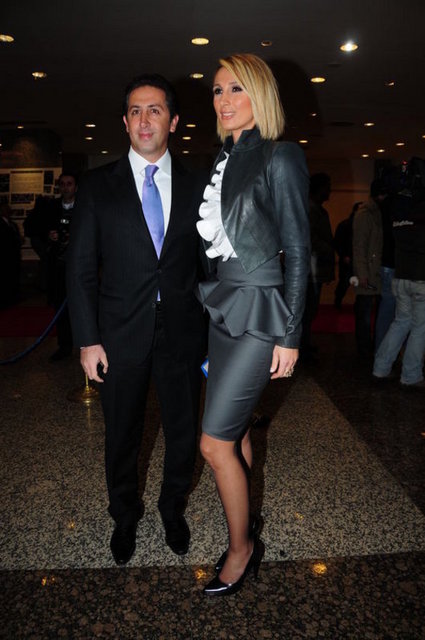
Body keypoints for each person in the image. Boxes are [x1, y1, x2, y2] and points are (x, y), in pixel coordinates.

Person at [66, 74, 207, 565]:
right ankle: (124, 515)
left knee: (183, 431)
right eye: (135, 111)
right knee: (122, 434)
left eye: (155, 110)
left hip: (183, 333)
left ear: (173, 120)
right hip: (118, 335)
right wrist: (87, 340)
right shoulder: (96, 186)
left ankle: (173, 508)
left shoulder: (197, 184)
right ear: (125, 123)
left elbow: (209, 267)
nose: (145, 120)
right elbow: (80, 269)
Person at [196, 53, 310, 596]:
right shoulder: (225, 156)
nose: (224, 99)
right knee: (235, 431)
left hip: (262, 309)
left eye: (236, 88)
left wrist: (290, 335)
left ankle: (242, 550)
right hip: (225, 306)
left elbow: (299, 249)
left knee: (213, 444)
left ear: (260, 94)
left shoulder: (280, 155)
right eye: (218, 90)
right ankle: (246, 524)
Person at [373, 159, 425, 389]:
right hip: (421, 277)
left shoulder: (397, 204)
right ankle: (411, 376)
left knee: (400, 322)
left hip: (400, 274)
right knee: (420, 328)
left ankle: (380, 368)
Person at [300, 173, 335, 359]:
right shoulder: (311, 209)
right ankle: (301, 346)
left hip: (314, 269)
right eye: (327, 187)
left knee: (310, 310)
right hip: (310, 270)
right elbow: (309, 239)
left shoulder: (316, 209)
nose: (330, 191)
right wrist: (328, 247)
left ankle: (304, 344)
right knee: (307, 310)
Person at [352, 180, 385, 357]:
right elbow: (359, 246)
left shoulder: (376, 212)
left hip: (375, 271)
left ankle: (370, 346)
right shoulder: (366, 214)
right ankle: (364, 349)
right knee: (364, 313)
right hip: (368, 272)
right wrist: (362, 274)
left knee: (371, 312)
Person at [47, 172, 78, 361]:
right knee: (60, 308)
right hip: (59, 267)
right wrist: (49, 237)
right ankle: (64, 346)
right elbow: (36, 229)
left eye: (69, 183)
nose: (66, 187)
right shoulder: (51, 207)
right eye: (63, 184)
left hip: (80, 268)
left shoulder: (84, 206)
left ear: (75, 186)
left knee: (83, 307)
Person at [334, 202, 361, 309]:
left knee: (357, 282)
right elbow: (338, 242)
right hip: (348, 259)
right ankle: (338, 300)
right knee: (344, 282)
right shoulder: (345, 224)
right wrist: (344, 255)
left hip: (357, 259)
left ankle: (358, 304)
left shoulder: (362, 225)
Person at [0, 203, 22, 308]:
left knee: (13, 276)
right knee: (6, 278)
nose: (8, 210)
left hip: (14, 255)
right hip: (5, 256)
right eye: (6, 209)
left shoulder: (12, 224)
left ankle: (13, 297)